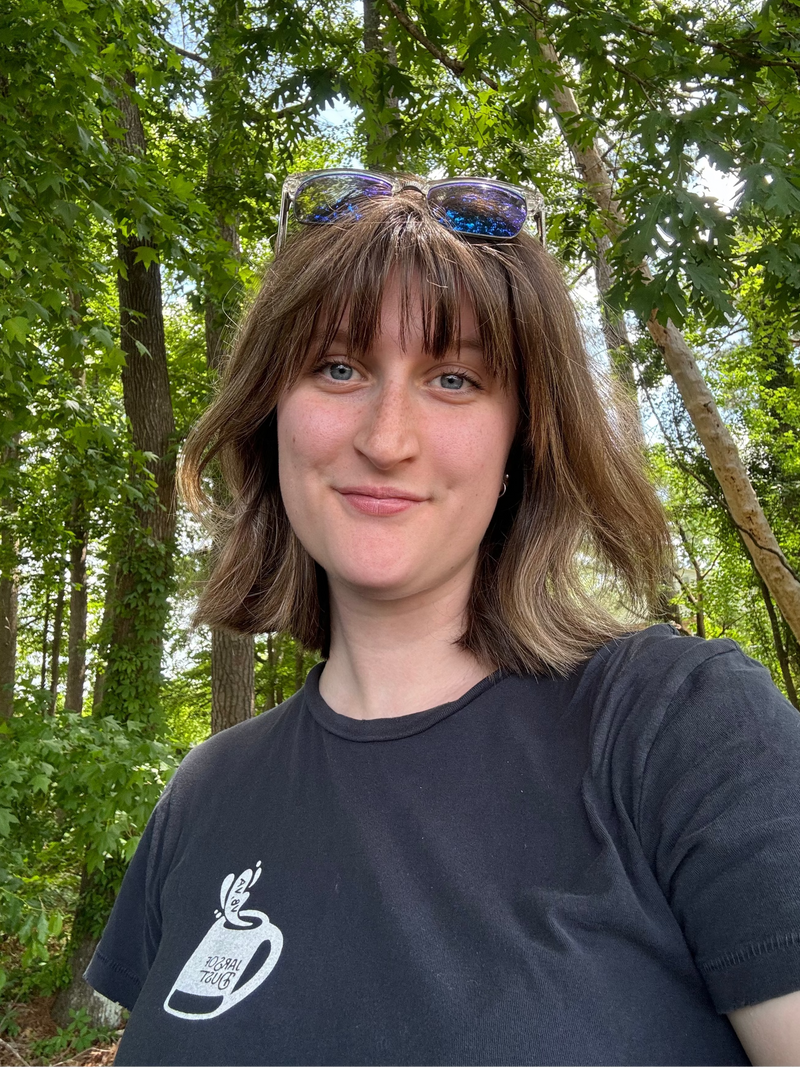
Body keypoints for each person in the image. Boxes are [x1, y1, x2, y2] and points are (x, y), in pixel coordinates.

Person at [86, 170, 800, 1066]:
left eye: (454, 377)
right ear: (272, 412)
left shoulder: (682, 727)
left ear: (524, 436)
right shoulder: (205, 792)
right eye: (337, 367)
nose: (387, 438)